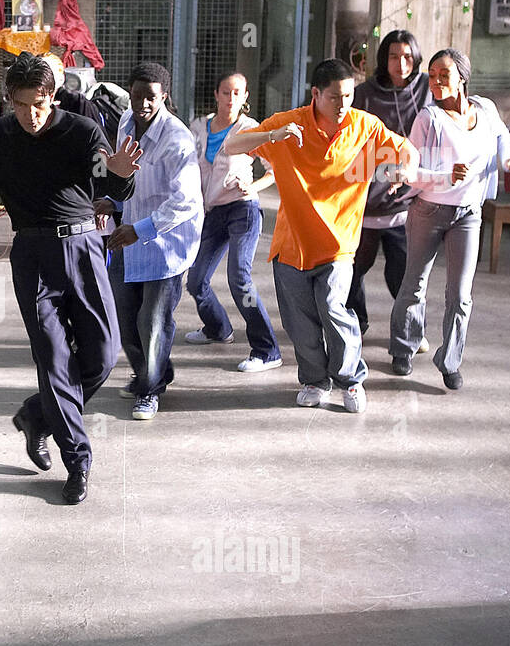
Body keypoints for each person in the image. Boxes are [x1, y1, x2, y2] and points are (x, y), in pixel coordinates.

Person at [0, 51, 142, 505]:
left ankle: (37, 415)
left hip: (83, 249)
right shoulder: (0, 136)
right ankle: (77, 461)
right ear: (9, 100)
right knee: (54, 362)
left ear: (53, 96)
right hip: (33, 257)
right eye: (21, 104)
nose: (30, 114)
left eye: (38, 104)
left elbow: (107, 180)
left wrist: (121, 179)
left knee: (102, 357)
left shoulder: (82, 131)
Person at [222, 58, 417, 414]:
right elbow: (231, 146)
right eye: (335, 97)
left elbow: (408, 149)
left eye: (349, 96)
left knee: (332, 308)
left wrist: (406, 168)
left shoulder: (365, 126)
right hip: (292, 246)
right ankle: (314, 380)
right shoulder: (287, 124)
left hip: (338, 245)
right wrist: (271, 136)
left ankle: (350, 379)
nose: (343, 105)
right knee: (300, 323)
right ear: (316, 94)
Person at [388, 48, 510, 390]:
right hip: (429, 211)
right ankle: (403, 348)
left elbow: (503, 143)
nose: (435, 82)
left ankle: (450, 361)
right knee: (414, 284)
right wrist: (445, 176)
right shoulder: (428, 119)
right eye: (432, 76)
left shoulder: (486, 109)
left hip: (469, 214)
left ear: (462, 77)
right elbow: (408, 173)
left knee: (461, 295)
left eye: (443, 75)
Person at [102, 62, 202, 422]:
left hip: (166, 243)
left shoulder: (177, 139)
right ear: (129, 92)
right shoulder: (125, 123)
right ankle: (153, 372)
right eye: (138, 95)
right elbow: (127, 177)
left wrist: (140, 229)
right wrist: (112, 202)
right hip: (129, 236)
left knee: (153, 322)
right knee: (125, 317)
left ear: (164, 97)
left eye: (152, 97)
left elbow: (185, 201)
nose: (143, 103)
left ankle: (150, 390)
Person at [183, 72, 282, 373]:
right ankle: (218, 328)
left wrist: (254, 187)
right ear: (216, 94)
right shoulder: (198, 127)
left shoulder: (251, 129)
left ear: (245, 97)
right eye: (226, 92)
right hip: (211, 212)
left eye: (237, 93)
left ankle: (267, 350)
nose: (231, 98)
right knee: (196, 280)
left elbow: (274, 169)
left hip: (242, 209)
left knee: (239, 278)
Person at [347, 29, 431, 342]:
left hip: (407, 199)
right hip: (367, 195)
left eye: (407, 56)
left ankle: (410, 332)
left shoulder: (427, 88)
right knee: (354, 268)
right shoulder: (364, 94)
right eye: (394, 56)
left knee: (403, 273)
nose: (401, 63)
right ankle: (355, 323)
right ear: (384, 59)